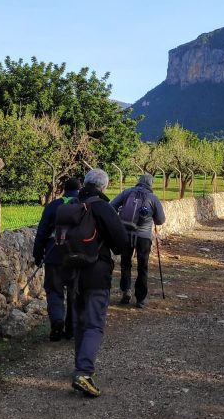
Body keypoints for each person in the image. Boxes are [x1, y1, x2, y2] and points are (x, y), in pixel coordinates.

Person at [69, 169, 129, 398]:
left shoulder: (73, 204)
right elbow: (121, 242)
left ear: (84, 184)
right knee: (94, 324)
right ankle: (83, 372)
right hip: (96, 273)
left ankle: (79, 367)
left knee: (80, 321)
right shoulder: (103, 207)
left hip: (72, 272)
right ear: (104, 187)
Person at [32, 177, 82, 341]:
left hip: (54, 254)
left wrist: (38, 255)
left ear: (64, 190)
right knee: (75, 293)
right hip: (77, 256)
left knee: (54, 290)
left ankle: (57, 320)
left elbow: (42, 232)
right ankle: (72, 329)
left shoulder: (53, 206)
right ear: (79, 189)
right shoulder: (83, 206)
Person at [110, 173, 166, 308]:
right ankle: (141, 299)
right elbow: (160, 220)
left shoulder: (127, 192)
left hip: (126, 233)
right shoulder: (153, 198)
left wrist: (120, 218)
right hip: (143, 237)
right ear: (151, 184)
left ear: (139, 181)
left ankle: (126, 291)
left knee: (125, 263)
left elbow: (111, 206)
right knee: (143, 266)